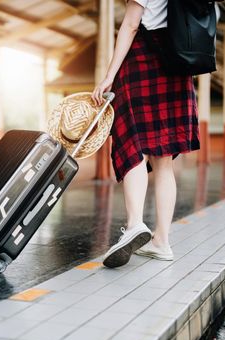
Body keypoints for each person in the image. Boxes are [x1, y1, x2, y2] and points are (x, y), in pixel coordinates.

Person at [92, 0, 200, 268]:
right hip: (178, 62)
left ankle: (134, 224)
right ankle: (161, 241)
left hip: (144, 61)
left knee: (133, 145)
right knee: (163, 160)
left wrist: (109, 76)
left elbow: (130, 24)